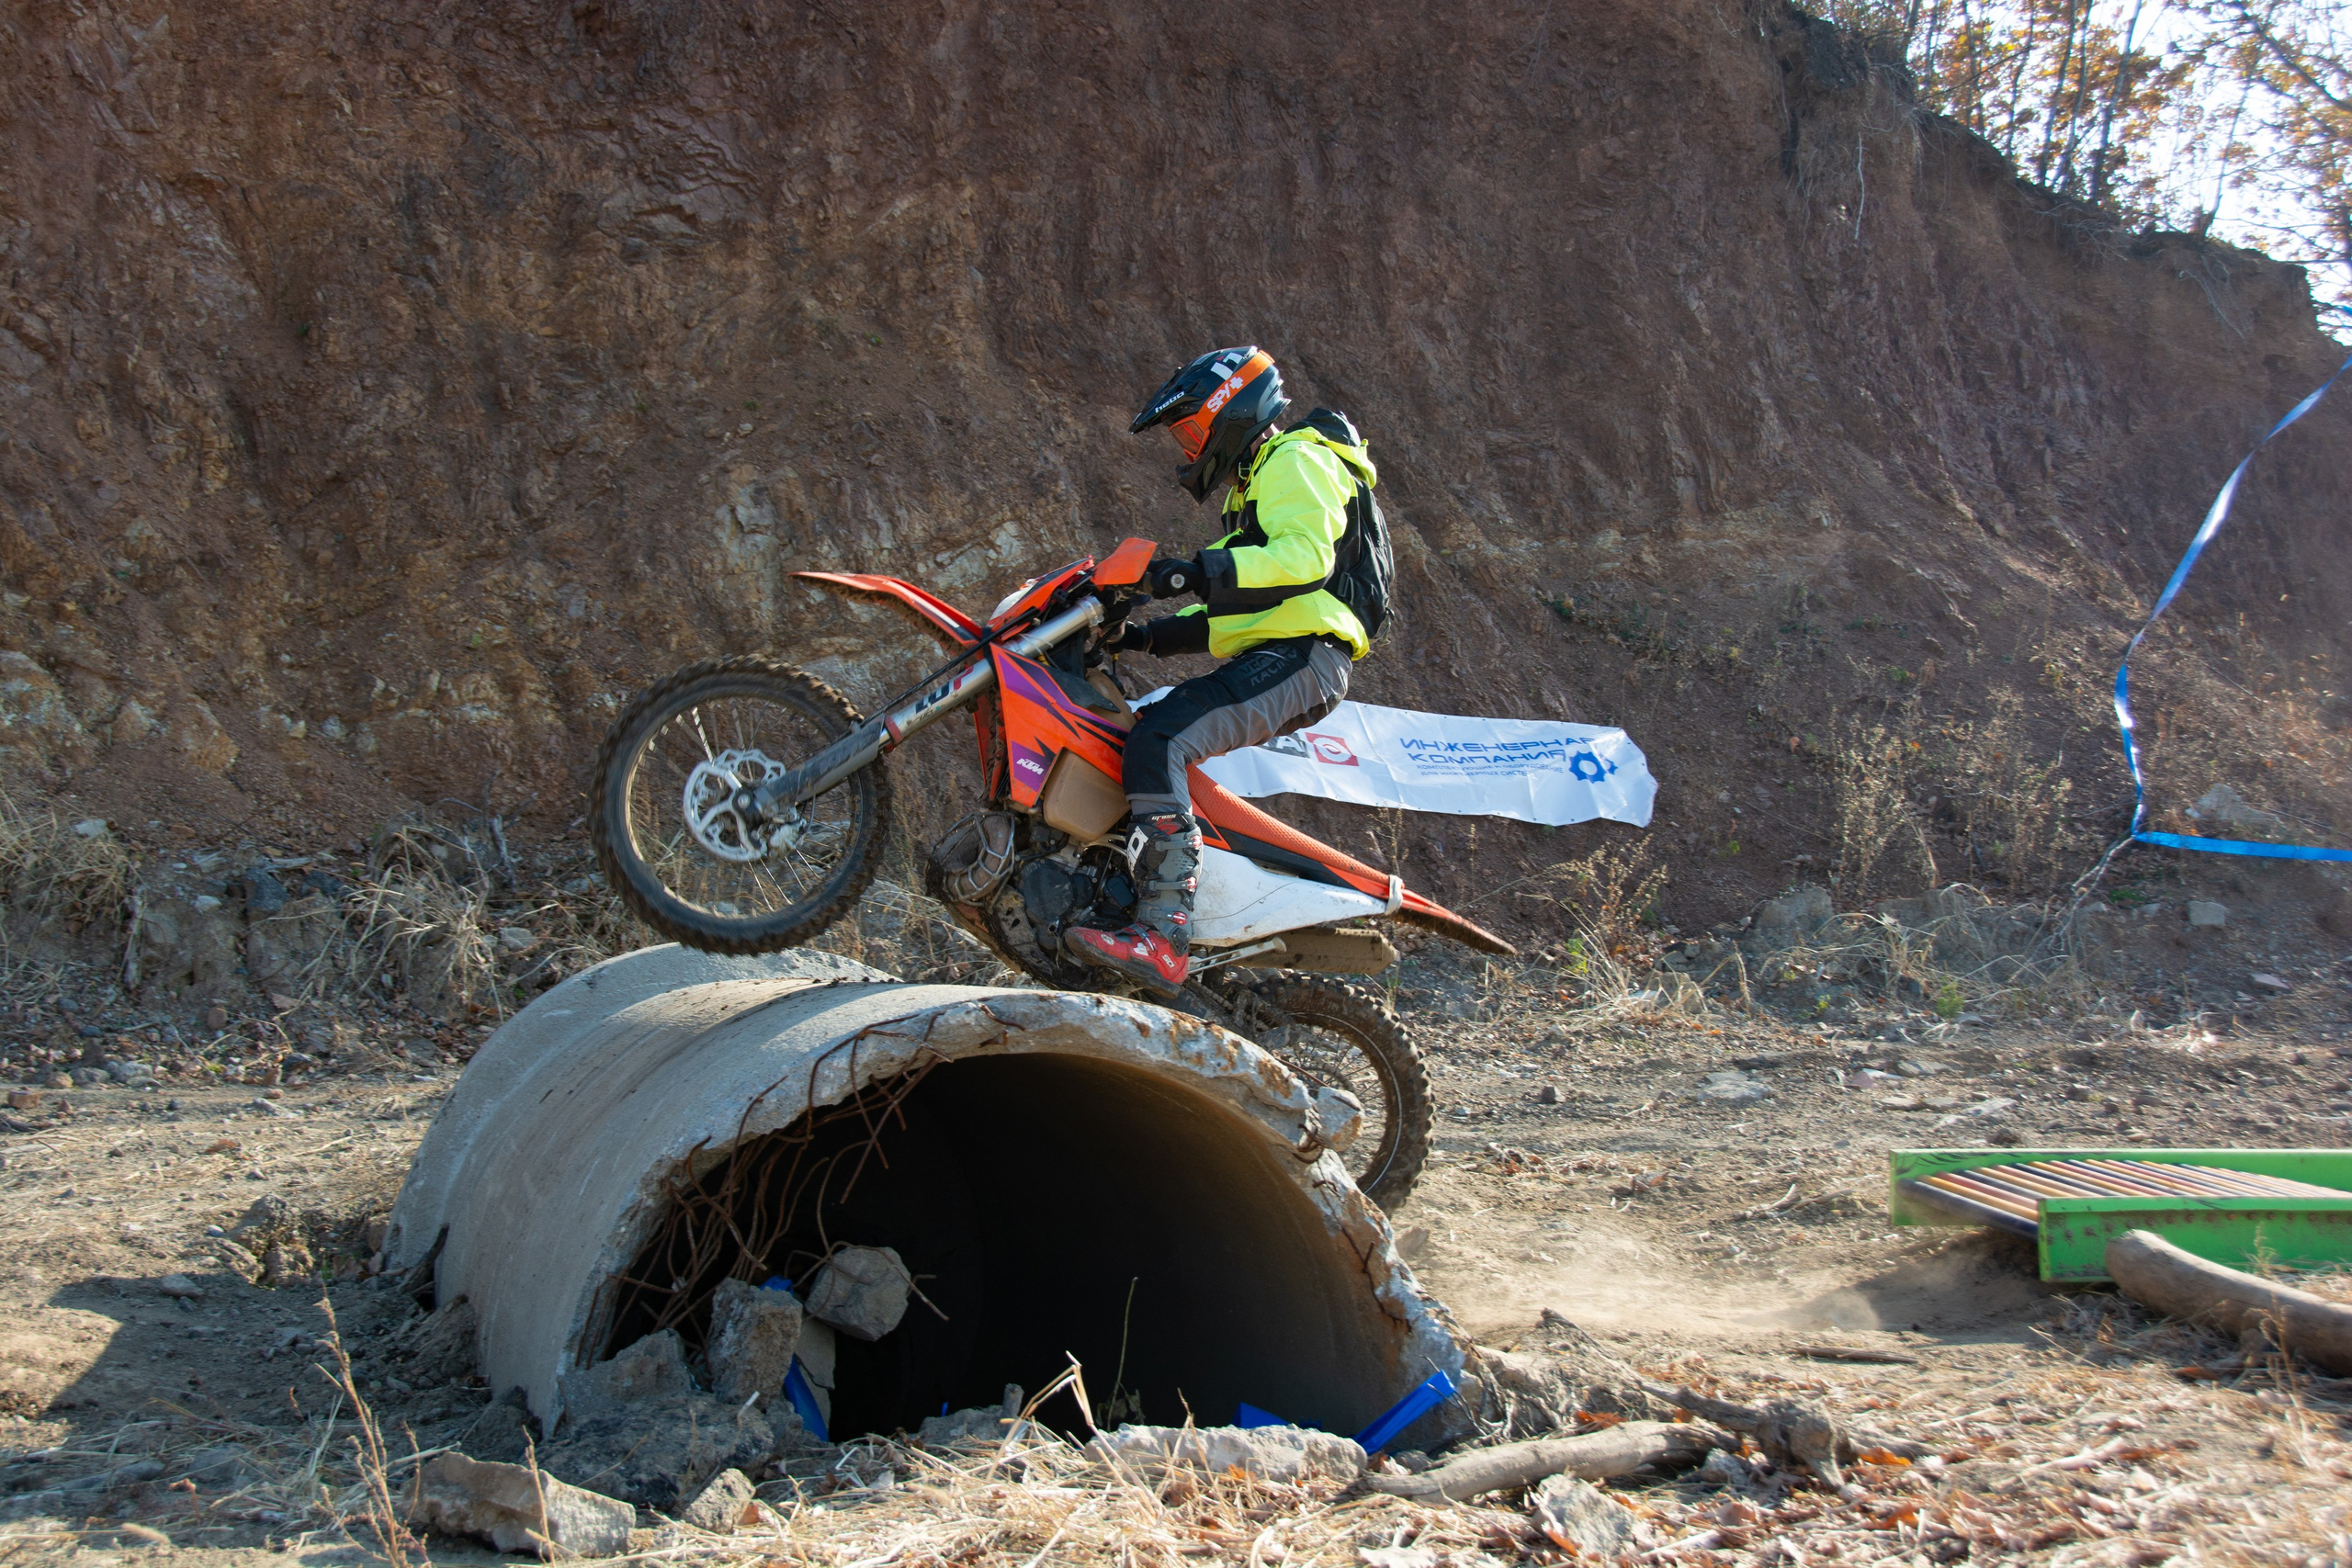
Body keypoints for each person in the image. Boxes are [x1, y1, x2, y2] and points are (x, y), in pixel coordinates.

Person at [1064, 344, 1383, 993]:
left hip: (1305, 657)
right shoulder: (1260, 486)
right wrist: (1142, 636)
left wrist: (1184, 571)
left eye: (1188, 430)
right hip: (1285, 649)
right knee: (1145, 733)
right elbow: (1235, 608)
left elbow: (1301, 561)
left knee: (1162, 739)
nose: (1186, 448)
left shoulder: (1296, 458)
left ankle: (1161, 933)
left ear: (1228, 410)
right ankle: (1131, 900)